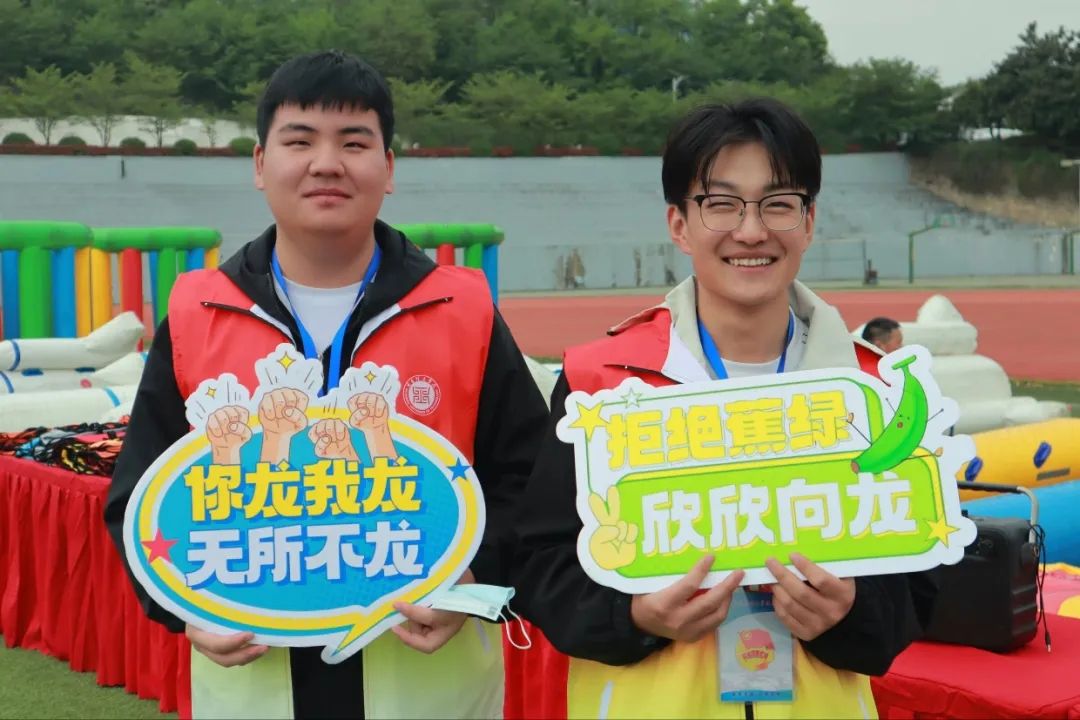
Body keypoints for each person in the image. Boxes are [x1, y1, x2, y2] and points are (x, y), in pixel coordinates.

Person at [104, 50, 548, 720]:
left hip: (427, 688)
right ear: (260, 164)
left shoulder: (463, 309)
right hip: (256, 689)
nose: (326, 163)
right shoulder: (198, 313)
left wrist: (472, 577)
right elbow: (139, 496)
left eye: (354, 142)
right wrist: (181, 609)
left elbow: (531, 480)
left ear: (388, 168)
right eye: (300, 140)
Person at [509, 99, 937, 719]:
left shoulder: (876, 393)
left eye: (778, 204)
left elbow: (919, 588)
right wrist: (633, 616)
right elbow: (540, 564)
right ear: (680, 224)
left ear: (809, 221)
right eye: (722, 204)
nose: (751, 231)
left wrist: (848, 614)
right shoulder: (600, 387)